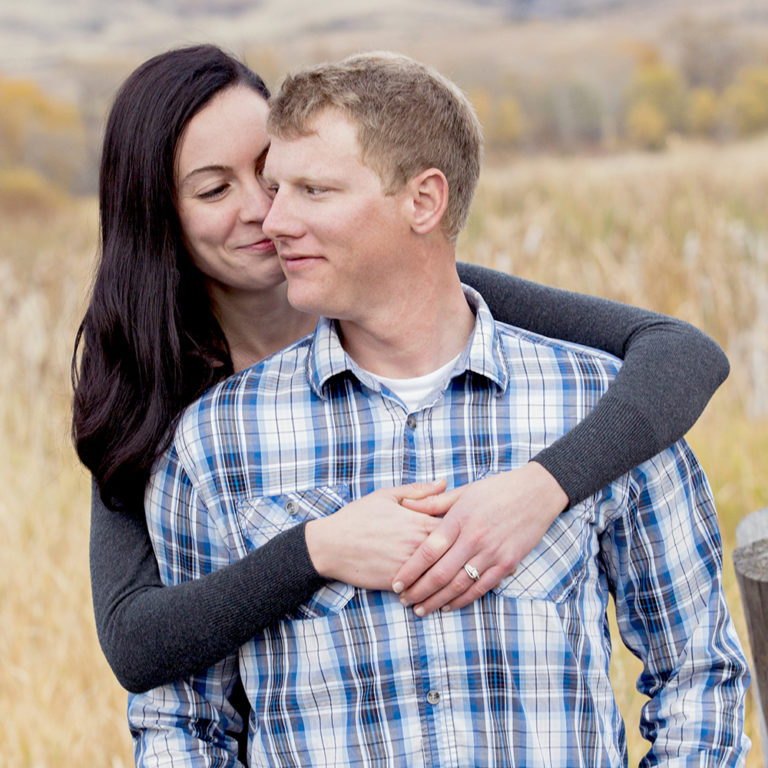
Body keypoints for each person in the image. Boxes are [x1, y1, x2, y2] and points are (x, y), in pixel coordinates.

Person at [127, 51, 749, 766]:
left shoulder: (601, 408)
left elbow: (699, 675)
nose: (274, 218)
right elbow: (181, 721)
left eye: (313, 190)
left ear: (424, 201)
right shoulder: (217, 440)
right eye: (276, 188)